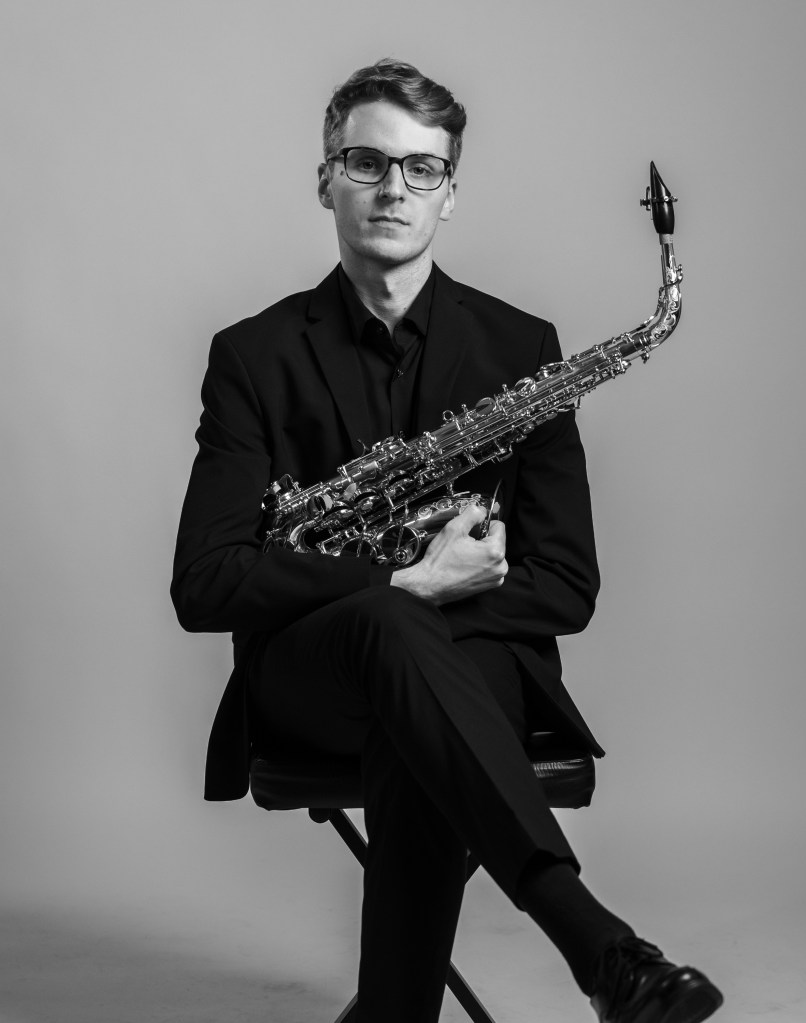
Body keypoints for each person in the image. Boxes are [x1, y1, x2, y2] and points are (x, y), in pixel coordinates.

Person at [172, 58, 723, 1023]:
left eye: (421, 169)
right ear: (326, 180)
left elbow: (566, 584)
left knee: (417, 692)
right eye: (367, 162)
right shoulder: (252, 355)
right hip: (315, 678)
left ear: (450, 192)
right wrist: (405, 584)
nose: (393, 189)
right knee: (393, 629)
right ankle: (600, 947)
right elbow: (204, 583)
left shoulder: (522, 348)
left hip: (472, 675)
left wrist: (425, 604)